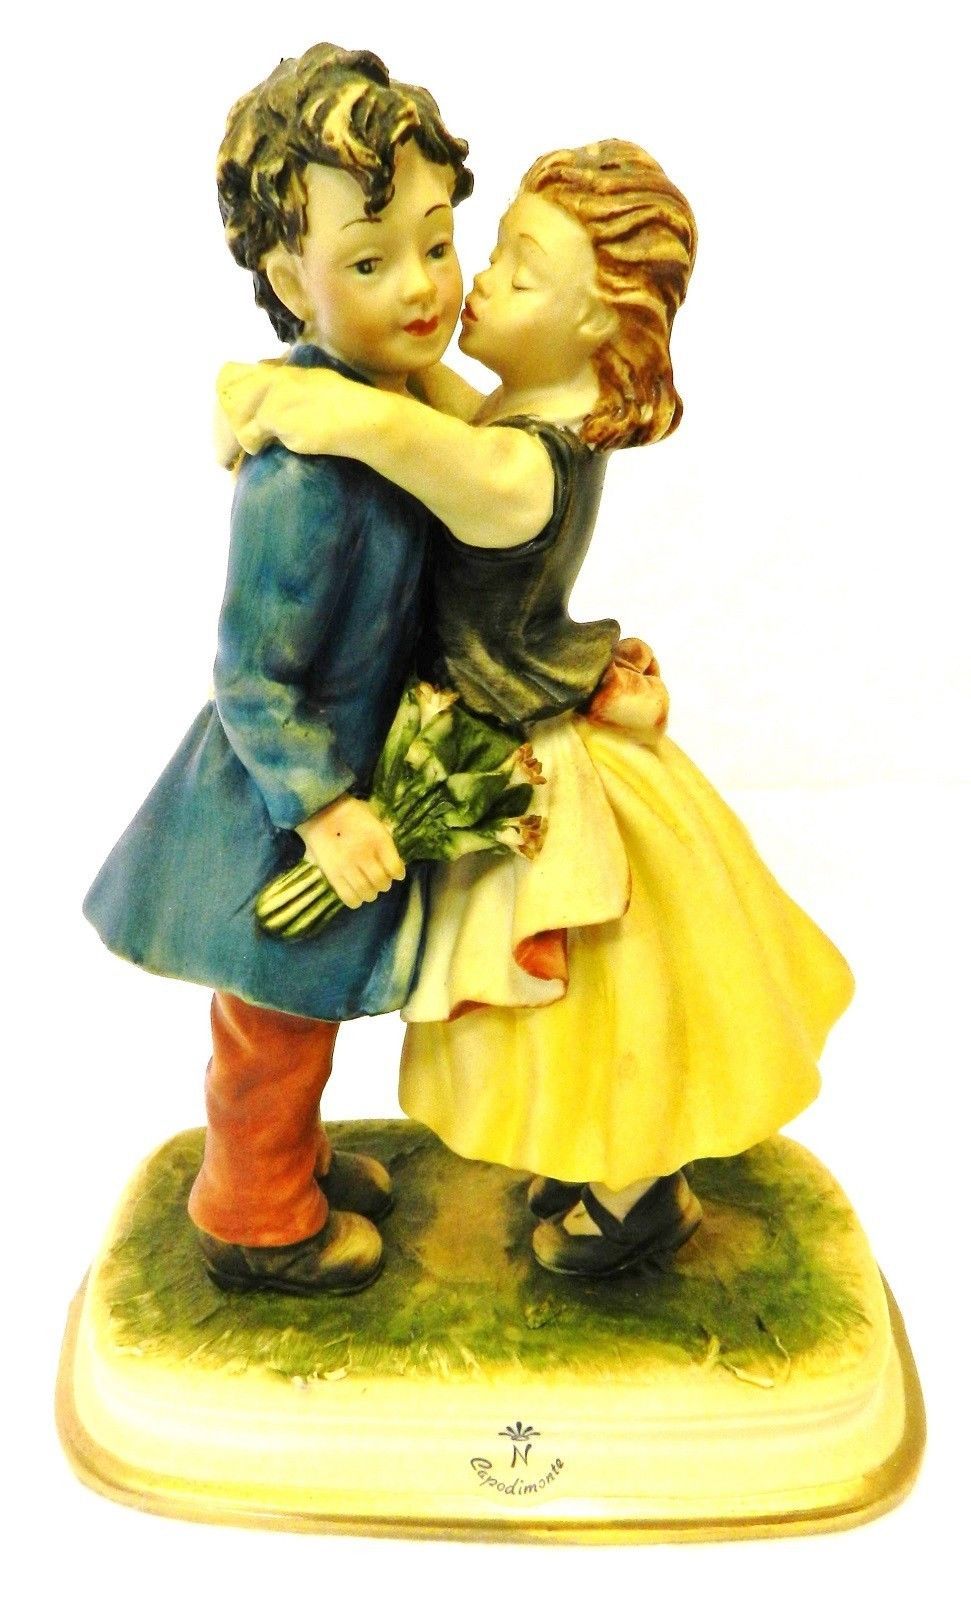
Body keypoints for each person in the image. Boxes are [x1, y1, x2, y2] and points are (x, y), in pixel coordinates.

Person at [218, 140, 855, 1278]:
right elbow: (416, 402)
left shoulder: (513, 471)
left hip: (525, 767)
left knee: (592, 1001)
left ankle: (636, 1193)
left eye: (519, 269)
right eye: (496, 248)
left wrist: (279, 395)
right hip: (511, 738)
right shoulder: (524, 418)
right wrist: (272, 381)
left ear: (592, 324)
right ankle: (594, 1160)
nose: (479, 280)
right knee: (570, 1009)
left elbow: (387, 428)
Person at [83, 43, 472, 1294]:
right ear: (286, 277)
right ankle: (252, 1212)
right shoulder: (302, 472)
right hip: (275, 799)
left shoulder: (393, 400)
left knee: (302, 1010)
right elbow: (249, 673)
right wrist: (322, 808)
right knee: (272, 1020)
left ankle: (286, 1161)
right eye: (368, 262)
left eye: (436, 243)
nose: (421, 286)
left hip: (349, 768)